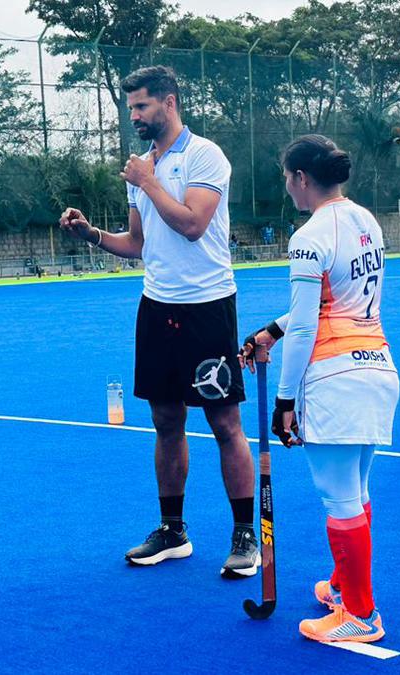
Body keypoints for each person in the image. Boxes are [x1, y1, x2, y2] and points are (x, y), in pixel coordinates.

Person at [59, 65, 259, 577]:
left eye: (142, 107)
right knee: (166, 420)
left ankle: (244, 536)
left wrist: (147, 181)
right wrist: (92, 235)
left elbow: (193, 225)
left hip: (208, 307)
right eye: (131, 109)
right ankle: (173, 530)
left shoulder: (204, 155)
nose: (135, 117)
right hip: (157, 307)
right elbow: (139, 245)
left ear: (169, 103)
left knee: (223, 422)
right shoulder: (141, 168)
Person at [239, 135, 398, 643]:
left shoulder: (308, 236)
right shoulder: (364, 220)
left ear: (301, 178)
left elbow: (310, 323)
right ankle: (343, 585)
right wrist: (272, 328)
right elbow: (333, 300)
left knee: (338, 498)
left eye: (287, 179)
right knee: (356, 491)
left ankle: (361, 614)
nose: (287, 189)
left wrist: (285, 399)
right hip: (377, 369)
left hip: (335, 376)